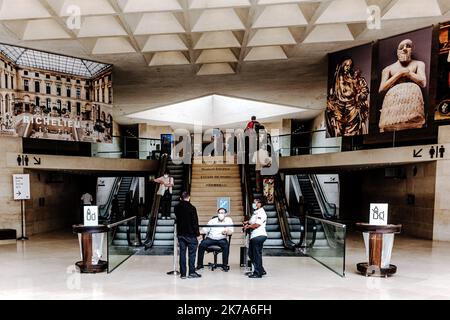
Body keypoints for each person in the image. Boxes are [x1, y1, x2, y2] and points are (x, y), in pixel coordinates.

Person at [378, 39, 427, 132]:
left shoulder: (419, 64)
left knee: (413, 123)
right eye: (401, 47)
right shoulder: (388, 69)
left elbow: (423, 82)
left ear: (411, 50)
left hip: (411, 101)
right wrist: (399, 74)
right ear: (397, 51)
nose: (404, 49)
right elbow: (382, 88)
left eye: (408, 46)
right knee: (390, 125)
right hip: (393, 102)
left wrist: (409, 74)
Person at [326, 57, 370, 137]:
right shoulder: (337, 81)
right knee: (339, 131)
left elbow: (364, 91)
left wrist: (359, 95)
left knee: (354, 131)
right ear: (342, 66)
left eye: (350, 65)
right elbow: (332, 95)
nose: (348, 67)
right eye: (346, 65)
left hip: (353, 109)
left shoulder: (355, 79)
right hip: (340, 109)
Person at [174, 192, 202, 279]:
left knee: (182, 253)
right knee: (192, 254)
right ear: (189, 197)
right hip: (191, 235)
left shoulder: (176, 207)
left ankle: (183, 274)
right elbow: (195, 223)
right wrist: (198, 234)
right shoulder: (192, 208)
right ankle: (192, 272)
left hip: (181, 234)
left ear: (180, 198)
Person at [243, 198, 267, 278]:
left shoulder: (261, 213)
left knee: (255, 254)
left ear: (259, 204)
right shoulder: (256, 212)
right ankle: (261, 270)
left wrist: (248, 226)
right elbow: (252, 221)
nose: (254, 204)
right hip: (255, 236)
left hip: (259, 235)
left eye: (255, 202)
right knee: (252, 254)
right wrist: (247, 222)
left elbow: (257, 224)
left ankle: (257, 273)